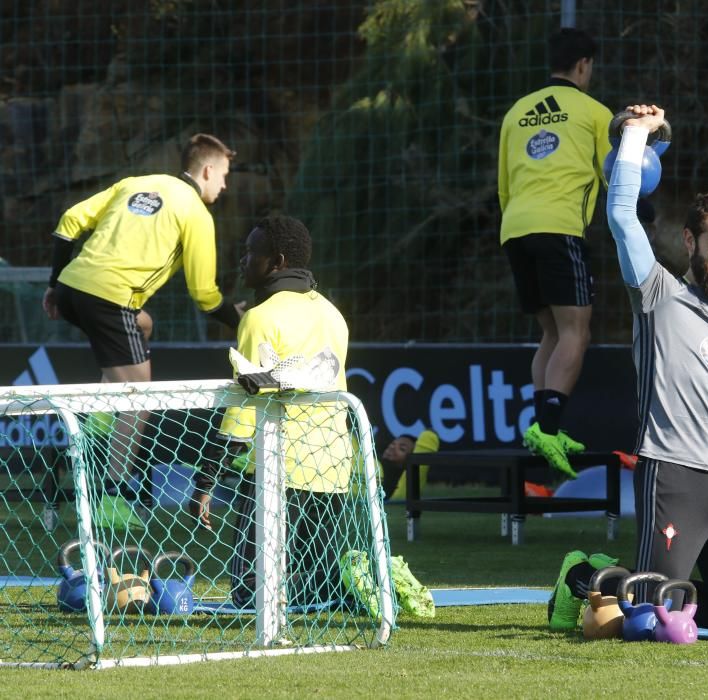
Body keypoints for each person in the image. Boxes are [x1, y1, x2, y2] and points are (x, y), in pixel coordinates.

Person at [548, 105, 708, 631]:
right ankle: (583, 576)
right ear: (692, 242)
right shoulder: (657, 294)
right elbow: (621, 213)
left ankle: (628, 581)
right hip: (671, 473)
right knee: (647, 621)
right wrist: (635, 134)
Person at [42, 133, 242, 528]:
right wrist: (240, 319)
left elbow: (69, 223)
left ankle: (98, 420)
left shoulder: (136, 183)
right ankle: (111, 499)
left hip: (71, 288)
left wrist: (54, 284)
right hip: (110, 301)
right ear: (206, 170)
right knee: (140, 399)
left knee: (144, 324)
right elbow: (204, 295)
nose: (225, 185)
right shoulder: (197, 214)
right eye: (224, 175)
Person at [190, 215, 350, 608]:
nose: (243, 260)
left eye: (250, 253)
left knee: (250, 594)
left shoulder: (260, 318)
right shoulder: (332, 314)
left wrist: (205, 481)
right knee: (316, 594)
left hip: (277, 467)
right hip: (332, 468)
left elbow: (242, 413)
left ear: (276, 261)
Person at [497, 27, 614, 479]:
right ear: (584, 65)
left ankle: (544, 426)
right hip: (559, 227)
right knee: (576, 333)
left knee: (551, 332)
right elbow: (613, 175)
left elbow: (504, 186)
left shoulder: (516, 112)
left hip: (516, 229)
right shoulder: (593, 112)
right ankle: (547, 428)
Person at [379, 430, 440, 500]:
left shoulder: (404, 483)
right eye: (393, 444)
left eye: (402, 449)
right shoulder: (372, 462)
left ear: (410, 459)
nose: (392, 447)